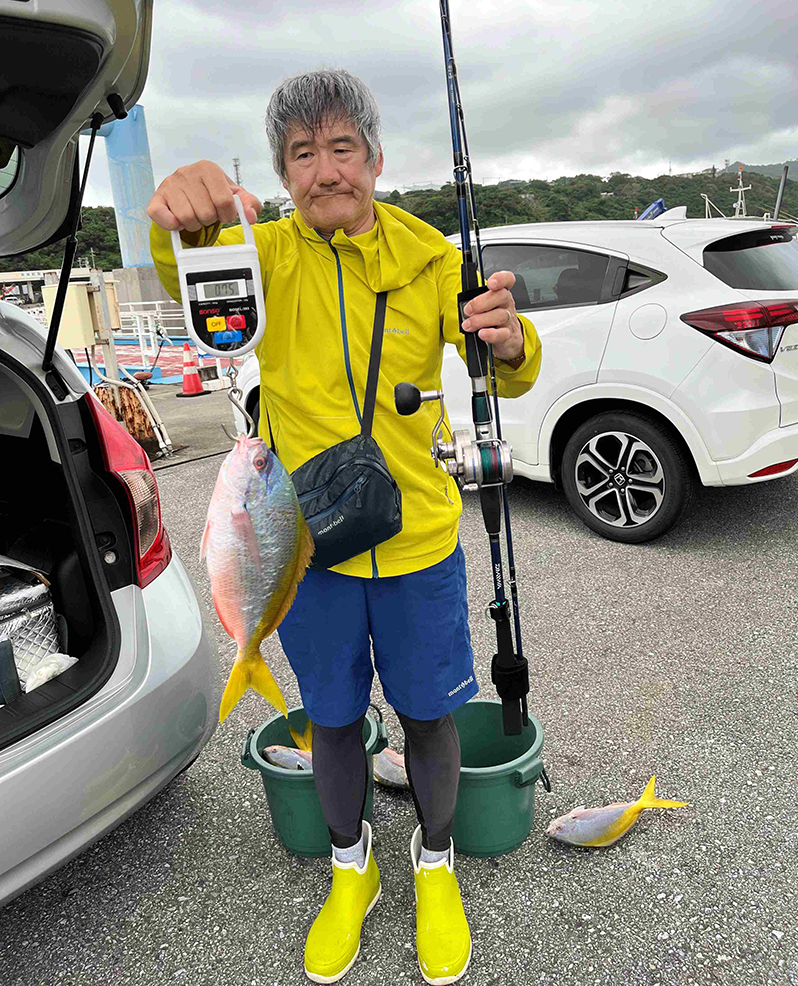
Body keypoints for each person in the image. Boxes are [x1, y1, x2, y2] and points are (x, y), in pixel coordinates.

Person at [148, 69, 542, 985]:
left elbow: (504, 364)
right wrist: (184, 211)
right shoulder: (266, 253)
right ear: (284, 174)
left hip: (419, 542)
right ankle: (350, 865)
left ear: (372, 158)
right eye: (300, 153)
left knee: (431, 714)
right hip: (305, 546)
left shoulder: (432, 256)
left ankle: (434, 863)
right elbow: (190, 261)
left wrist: (512, 341)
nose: (324, 171)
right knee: (329, 718)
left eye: (340, 148)